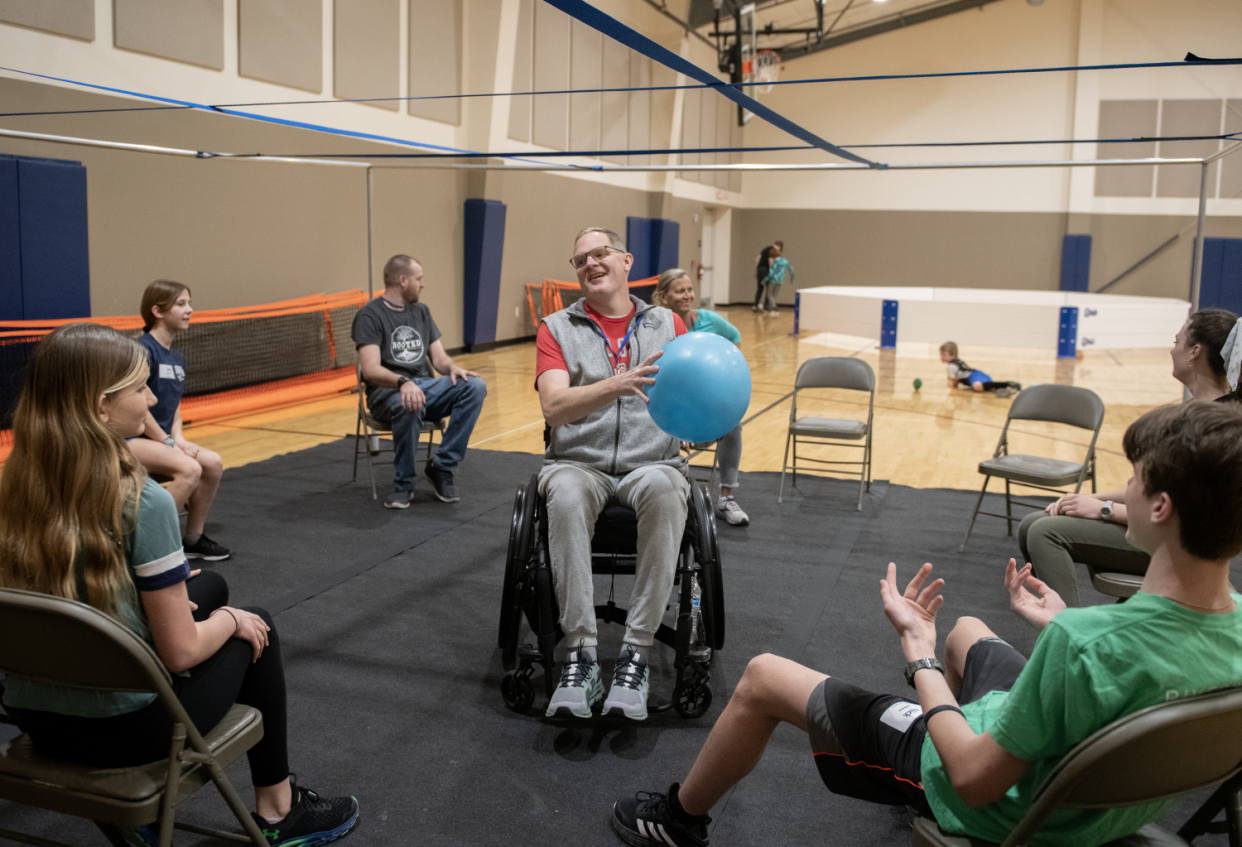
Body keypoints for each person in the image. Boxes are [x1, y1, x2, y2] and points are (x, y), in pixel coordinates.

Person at [612, 399, 1242, 847]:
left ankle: (676, 820)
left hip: (1000, 803)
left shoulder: (1085, 642)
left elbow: (972, 777)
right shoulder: (1227, 631)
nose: (1121, 491)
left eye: (1134, 478)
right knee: (971, 628)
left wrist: (921, 657)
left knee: (764, 676)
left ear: (1160, 507)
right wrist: (1059, 624)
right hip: (1092, 803)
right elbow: (1125, 670)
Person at [0, 323, 360, 847]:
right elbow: (180, 653)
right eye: (141, 388)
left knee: (209, 584)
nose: (151, 399)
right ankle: (281, 812)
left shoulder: (14, 484)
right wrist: (231, 621)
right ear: (101, 407)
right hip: (122, 732)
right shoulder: (140, 501)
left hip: (35, 716)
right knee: (256, 623)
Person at [534, 227, 689, 721]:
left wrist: (697, 425)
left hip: (652, 463)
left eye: (600, 254)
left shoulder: (669, 323)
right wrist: (616, 385)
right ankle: (580, 654)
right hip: (579, 463)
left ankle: (635, 654)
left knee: (668, 488)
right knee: (563, 492)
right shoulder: (555, 328)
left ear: (626, 261)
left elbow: (692, 393)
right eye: (580, 260)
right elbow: (555, 407)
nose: (590, 264)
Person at [1016, 308, 1242, 606]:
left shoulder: (1216, 426)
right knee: (1032, 524)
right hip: (1160, 525)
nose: (1172, 349)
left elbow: (1187, 513)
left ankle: (1064, 630)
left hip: (1179, 542)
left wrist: (1104, 509)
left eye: (1177, 341)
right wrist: (1094, 498)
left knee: (1043, 532)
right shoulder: (1198, 414)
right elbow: (1156, 487)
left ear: (1195, 352)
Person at [351, 254, 487, 509]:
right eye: (419, 279)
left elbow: (439, 359)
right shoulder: (369, 315)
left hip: (426, 388)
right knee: (408, 401)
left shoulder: (422, 312)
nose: (422, 284)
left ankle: (441, 467)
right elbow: (370, 370)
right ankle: (404, 484)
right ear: (403, 280)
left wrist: (453, 368)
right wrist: (403, 382)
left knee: (475, 386)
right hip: (387, 393)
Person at [128, 280, 230, 561]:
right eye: (181, 304)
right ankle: (144, 540)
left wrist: (180, 439)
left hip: (165, 441)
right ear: (157, 311)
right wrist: (168, 442)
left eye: (189, 303)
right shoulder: (141, 351)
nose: (190, 310)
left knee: (211, 463)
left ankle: (193, 538)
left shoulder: (178, 358)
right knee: (190, 468)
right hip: (132, 440)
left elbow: (173, 407)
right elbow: (139, 404)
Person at [653, 268, 749, 527]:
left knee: (733, 424)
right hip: (668, 407)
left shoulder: (708, 320)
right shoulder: (655, 325)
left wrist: (732, 372)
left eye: (689, 290)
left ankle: (726, 498)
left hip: (703, 407)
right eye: (679, 291)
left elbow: (734, 336)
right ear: (663, 297)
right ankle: (668, 497)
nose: (687, 295)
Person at [939, 341, 1021, 398]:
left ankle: (1008, 384)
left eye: (944, 355)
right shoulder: (957, 361)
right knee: (985, 388)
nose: (941, 357)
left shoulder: (950, 366)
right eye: (941, 354)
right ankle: (1001, 389)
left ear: (953, 355)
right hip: (978, 374)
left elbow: (954, 383)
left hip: (973, 377)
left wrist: (953, 392)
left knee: (977, 387)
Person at [759, 244, 793, 314]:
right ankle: (770, 307)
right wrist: (792, 277)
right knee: (774, 295)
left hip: (773, 280)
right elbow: (791, 269)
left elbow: (772, 272)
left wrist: (765, 279)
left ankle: (774, 307)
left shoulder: (776, 262)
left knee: (769, 294)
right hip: (781, 280)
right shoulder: (785, 261)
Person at [752, 240, 782, 313]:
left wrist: (756, 271)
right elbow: (770, 260)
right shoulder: (773, 250)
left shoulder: (766, 248)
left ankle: (755, 306)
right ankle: (765, 307)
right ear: (778, 247)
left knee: (760, 288)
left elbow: (757, 259)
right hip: (766, 270)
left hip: (760, 269)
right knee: (768, 289)